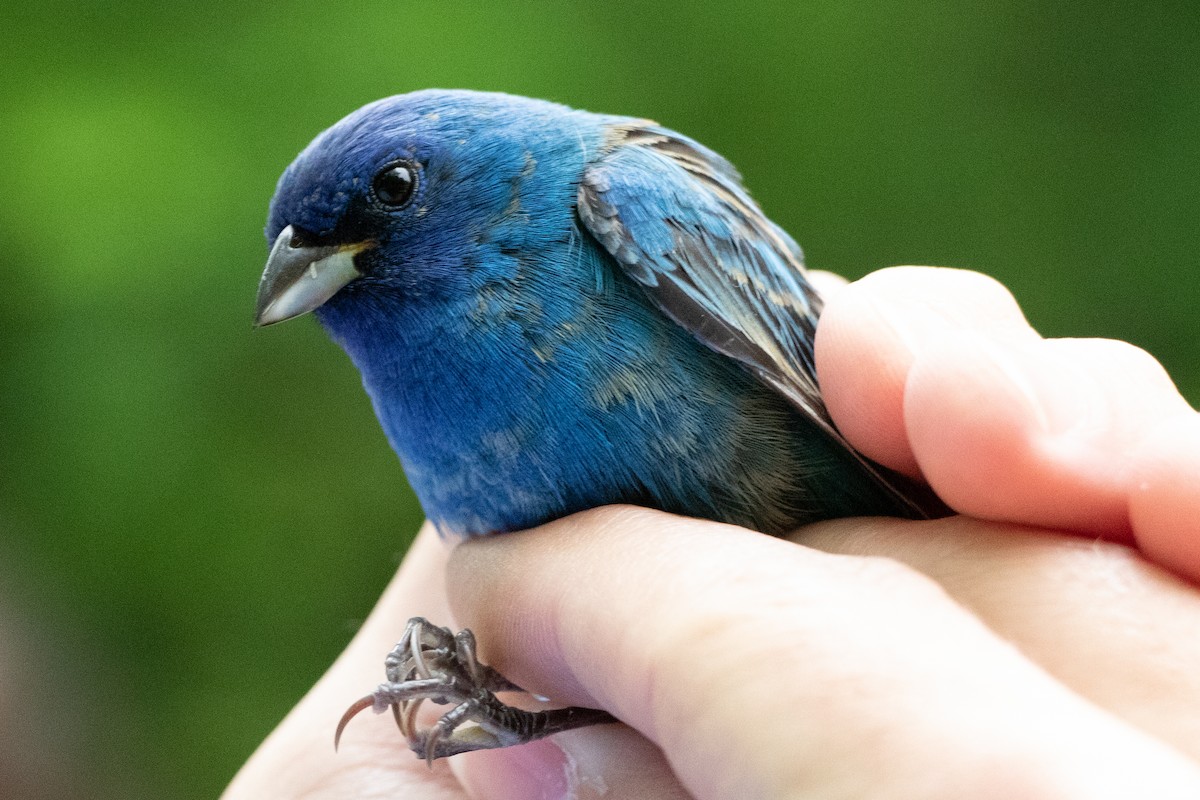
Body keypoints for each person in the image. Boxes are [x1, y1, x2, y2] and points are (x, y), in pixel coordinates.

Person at [222, 267, 1200, 800]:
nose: (298, 267)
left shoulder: (612, 193)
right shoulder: (418, 402)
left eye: (392, 193)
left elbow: (806, 388)